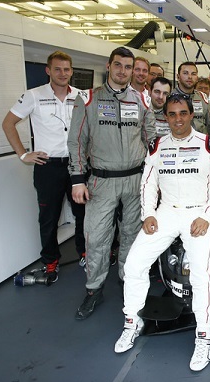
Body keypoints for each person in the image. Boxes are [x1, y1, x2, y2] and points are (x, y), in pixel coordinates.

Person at [114, 94, 210, 372]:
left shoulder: (209, 144)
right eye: (172, 114)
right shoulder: (156, 145)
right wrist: (148, 214)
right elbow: (148, 182)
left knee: (201, 274)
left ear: (192, 115)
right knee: (134, 265)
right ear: (165, 117)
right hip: (165, 211)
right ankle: (132, 322)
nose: (178, 119)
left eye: (183, 113)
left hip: (198, 213)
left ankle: (204, 336)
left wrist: (206, 216)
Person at [67, 46, 156, 320]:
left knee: (132, 235)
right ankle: (94, 290)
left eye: (128, 67)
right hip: (100, 182)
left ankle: (128, 281)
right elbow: (76, 142)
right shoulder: (89, 99)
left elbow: (150, 137)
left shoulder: (141, 100)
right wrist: (77, 180)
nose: (123, 71)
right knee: (96, 237)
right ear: (109, 66)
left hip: (134, 180)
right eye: (118, 65)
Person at [2, 50, 85, 282]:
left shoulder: (81, 96)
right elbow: (8, 123)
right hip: (48, 166)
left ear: (71, 71)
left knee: (84, 214)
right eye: (57, 69)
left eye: (66, 69)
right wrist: (23, 155)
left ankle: (85, 253)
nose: (62, 73)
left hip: (77, 166)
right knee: (48, 217)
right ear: (48, 71)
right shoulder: (33, 95)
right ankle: (50, 262)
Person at [172, 62, 210, 140]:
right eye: (185, 73)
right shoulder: (169, 98)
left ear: (197, 77)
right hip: (176, 144)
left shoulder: (202, 97)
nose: (189, 77)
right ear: (178, 77)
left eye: (193, 74)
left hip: (200, 145)